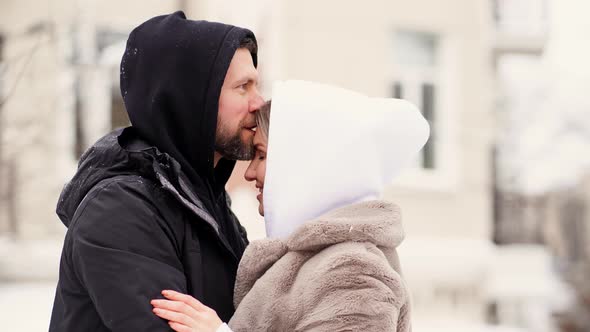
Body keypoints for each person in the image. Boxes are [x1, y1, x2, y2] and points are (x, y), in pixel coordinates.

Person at [150, 80, 430, 331]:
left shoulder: (352, 269)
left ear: (305, 164)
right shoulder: (317, 261)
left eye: (261, 155)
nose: (249, 173)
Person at [49, 11, 264, 331]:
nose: (258, 102)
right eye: (242, 87)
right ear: (194, 99)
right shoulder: (121, 210)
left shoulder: (203, 202)